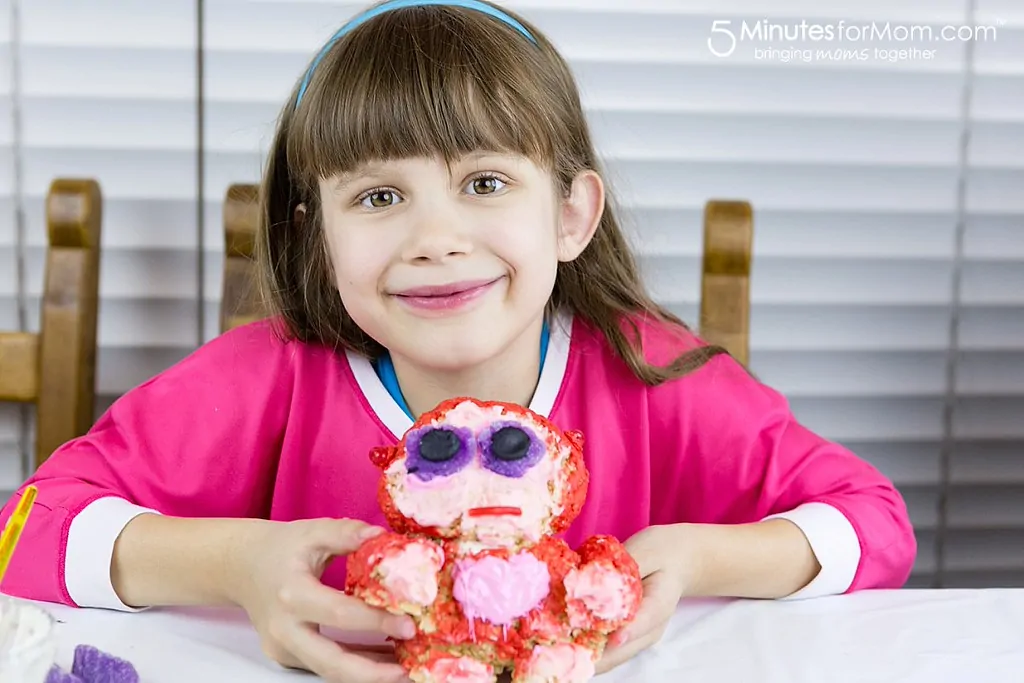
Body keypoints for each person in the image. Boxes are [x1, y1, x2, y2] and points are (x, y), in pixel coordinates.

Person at [0, 1, 917, 681]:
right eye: (379, 197)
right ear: (316, 229)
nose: (435, 239)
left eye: (483, 182)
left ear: (570, 213)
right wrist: (235, 565)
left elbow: (874, 522)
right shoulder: (263, 376)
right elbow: (23, 528)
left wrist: (702, 557)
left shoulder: (662, 378)